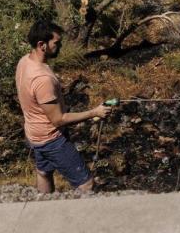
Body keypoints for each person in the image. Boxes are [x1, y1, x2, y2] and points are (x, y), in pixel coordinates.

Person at [15, 20, 112, 193]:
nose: (59, 47)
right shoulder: (42, 79)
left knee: (43, 172)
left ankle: (44, 210)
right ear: (41, 45)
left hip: (34, 133)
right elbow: (59, 119)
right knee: (86, 184)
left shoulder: (24, 62)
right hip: (51, 139)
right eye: (56, 43)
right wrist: (94, 112)